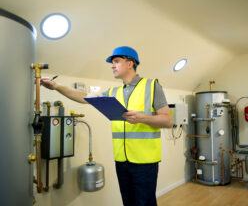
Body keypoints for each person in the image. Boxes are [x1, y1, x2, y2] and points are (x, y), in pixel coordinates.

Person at [41, 46, 172, 206]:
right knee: (128, 202)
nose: (112, 65)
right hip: (121, 160)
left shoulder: (152, 86)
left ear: (130, 63)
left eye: (116, 61)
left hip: (145, 162)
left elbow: (167, 120)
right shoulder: (113, 92)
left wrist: (141, 117)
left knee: (145, 203)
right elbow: (84, 97)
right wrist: (57, 87)